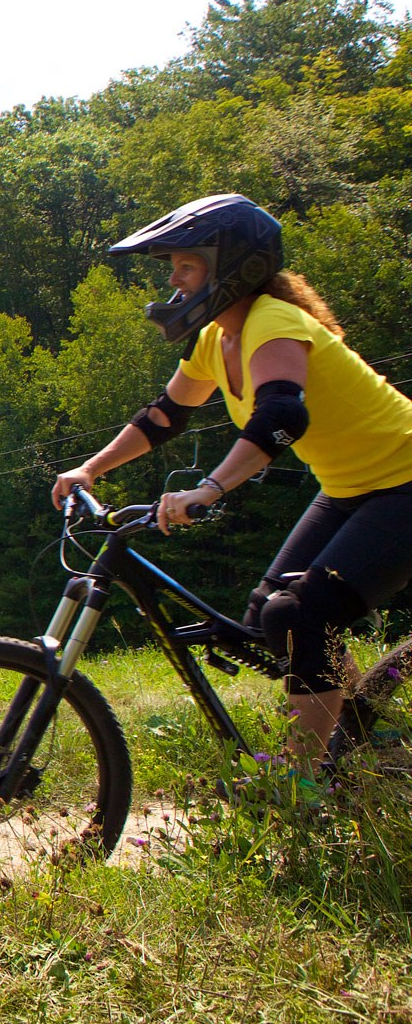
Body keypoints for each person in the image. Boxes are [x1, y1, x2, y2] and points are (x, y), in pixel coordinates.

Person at [52, 194, 412, 768]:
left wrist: (209, 488)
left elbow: (282, 417)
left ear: (231, 268)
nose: (173, 279)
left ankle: (302, 787)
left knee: (299, 613)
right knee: (267, 615)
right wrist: (91, 468)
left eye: (186, 265)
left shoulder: (274, 322)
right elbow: (165, 416)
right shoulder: (214, 339)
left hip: (405, 482)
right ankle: (368, 737)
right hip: (350, 487)